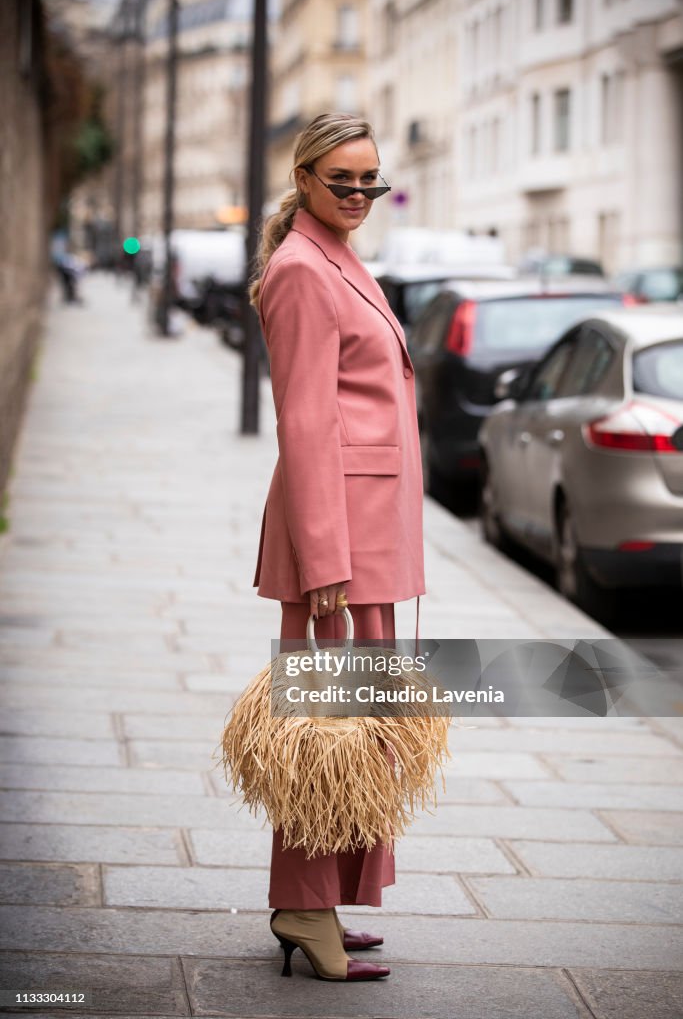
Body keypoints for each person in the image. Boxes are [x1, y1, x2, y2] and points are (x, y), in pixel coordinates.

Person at [249, 113, 425, 982]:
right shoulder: (299, 270)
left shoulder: (335, 259)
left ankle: (319, 898)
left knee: (357, 729)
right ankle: (302, 905)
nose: (358, 195)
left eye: (370, 181)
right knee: (327, 731)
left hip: (365, 537)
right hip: (338, 548)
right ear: (305, 177)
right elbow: (305, 423)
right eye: (342, 180)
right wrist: (324, 563)